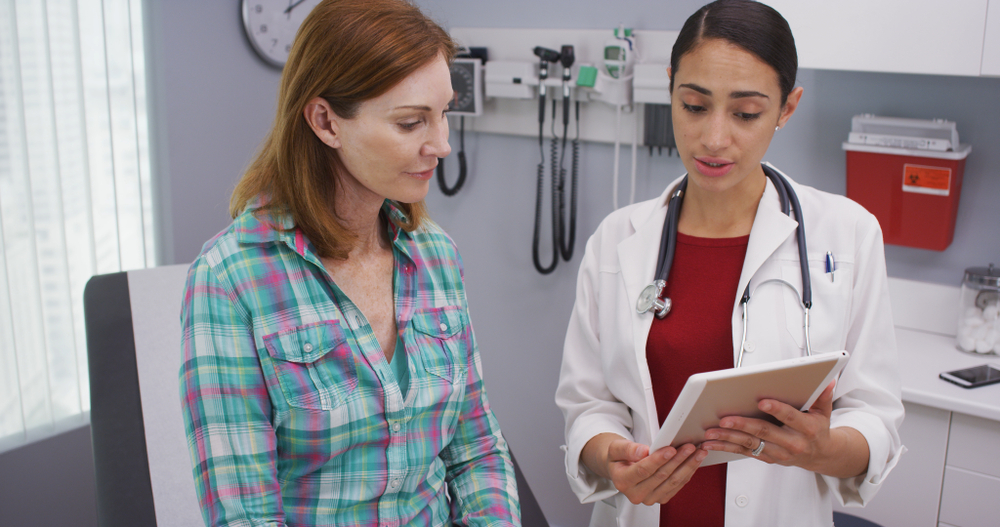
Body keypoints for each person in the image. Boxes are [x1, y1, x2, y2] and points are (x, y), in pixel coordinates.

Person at [555, 1, 904, 525]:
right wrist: (611, 457)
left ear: (787, 108)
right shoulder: (618, 239)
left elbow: (875, 415)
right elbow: (588, 405)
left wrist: (822, 451)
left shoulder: (848, 233)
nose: (714, 138)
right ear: (670, 87)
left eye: (746, 113)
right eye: (694, 105)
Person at [178, 1, 520, 525]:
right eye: (411, 123)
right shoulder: (229, 281)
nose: (443, 144)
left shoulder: (436, 255)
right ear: (326, 121)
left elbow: (476, 450)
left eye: (445, 113)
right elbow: (246, 515)